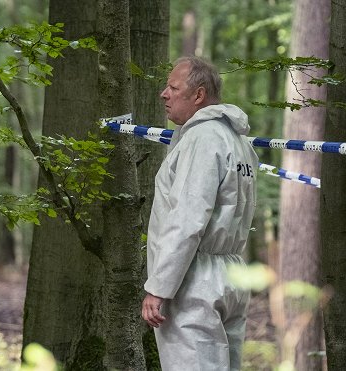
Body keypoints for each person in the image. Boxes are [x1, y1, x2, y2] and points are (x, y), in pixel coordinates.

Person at [141, 56, 258, 370]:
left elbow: (187, 219)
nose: (164, 93)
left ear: (199, 95)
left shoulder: (202, 139)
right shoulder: (240, 143)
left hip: (194, 280)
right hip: (230, 275)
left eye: (173, 87)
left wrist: (159, 286)